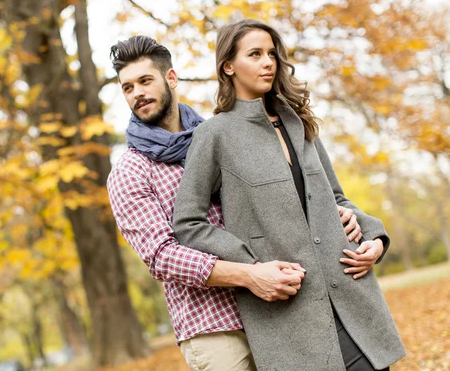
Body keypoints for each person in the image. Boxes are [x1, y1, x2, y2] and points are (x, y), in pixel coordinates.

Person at [106, 35, 368, 371]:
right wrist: (249, 275)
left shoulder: (221, 135)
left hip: (277, 313)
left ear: (171, 78)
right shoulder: (131, 171)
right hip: (215, 330)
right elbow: (161, 257)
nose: (137, 93)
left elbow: (277, 201)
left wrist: (334, 214)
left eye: (145, 81)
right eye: (127, 88)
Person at [172, 19, 406, 370]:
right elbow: (188, 223)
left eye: (272, 54)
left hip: (353, 297)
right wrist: (252, 263)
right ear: (229, 66)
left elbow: (337, 199)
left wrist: (373, 237)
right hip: (290, 317)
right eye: (255, 54)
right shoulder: (213, 135)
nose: (268, 62)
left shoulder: (298, 121)